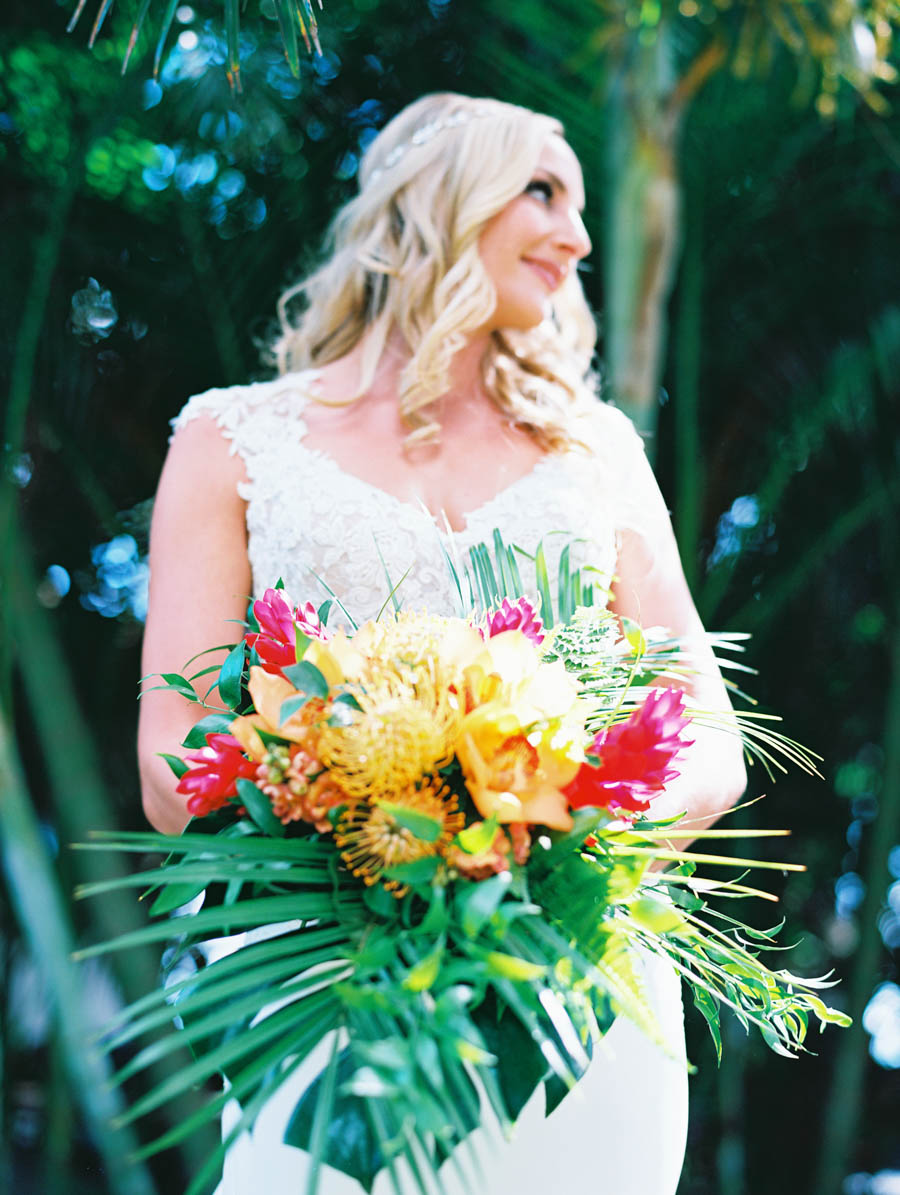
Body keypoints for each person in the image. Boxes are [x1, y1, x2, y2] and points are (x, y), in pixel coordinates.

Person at [138, 92, 746, 1195]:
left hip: (575, 994)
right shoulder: (227, 440)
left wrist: (563, 826)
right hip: (332, 986)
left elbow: (709, 733)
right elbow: (172, 760)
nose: (579, 235)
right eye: (542, 190)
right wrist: (356, 799)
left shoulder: (598, 449)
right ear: (439, 202)